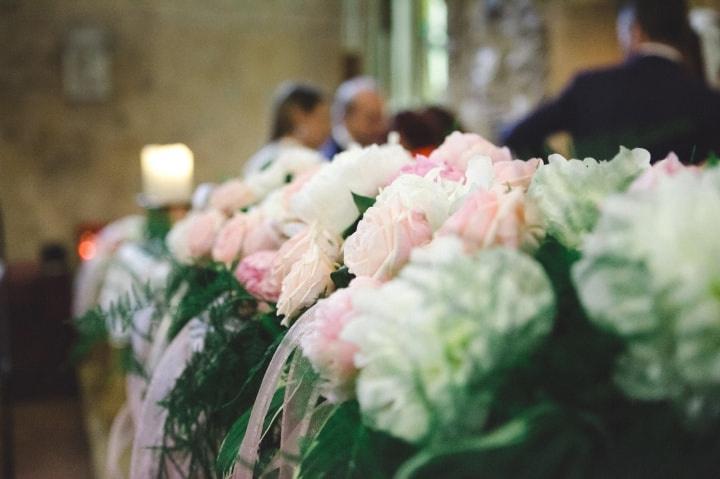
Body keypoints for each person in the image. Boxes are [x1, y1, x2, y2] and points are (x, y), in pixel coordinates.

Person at [500, 0, 720, 164]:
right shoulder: (710, 101)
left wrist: (561, 174)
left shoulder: (588, 88)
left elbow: (516, 136)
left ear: (635, 31)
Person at [244, 82, 330, 175]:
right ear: (299, 116)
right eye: (323, 118)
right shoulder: (311, 162)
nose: (329, 128)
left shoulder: (258, 159)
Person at [321, 76, 388, 159]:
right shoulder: (327, 158)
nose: (380, 126)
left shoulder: (381, 148)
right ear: (345, 117)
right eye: (372, 119)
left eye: (382, 118)